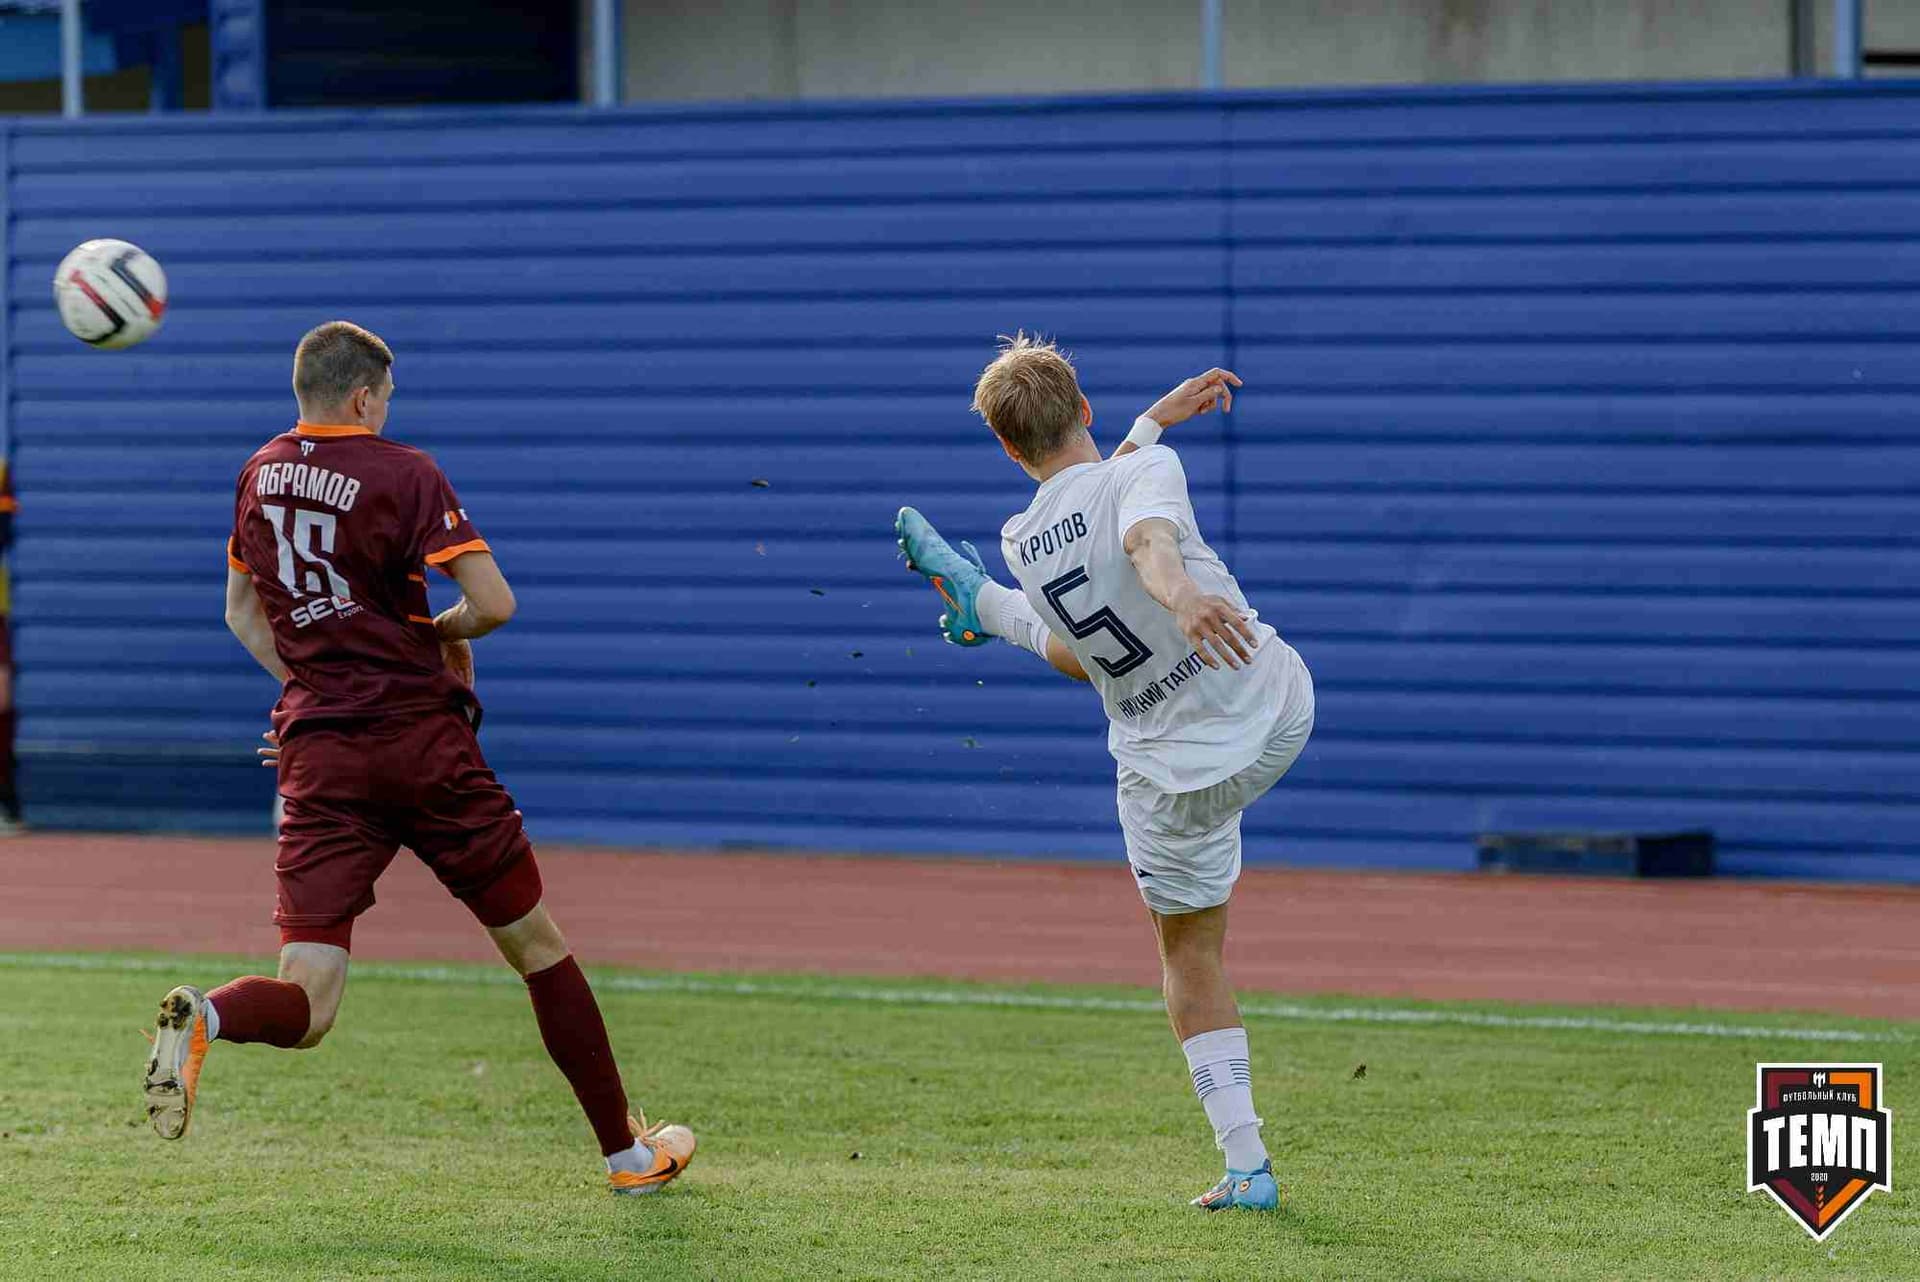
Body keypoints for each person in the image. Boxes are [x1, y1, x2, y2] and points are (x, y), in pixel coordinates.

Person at [142, 321, 694, 1196]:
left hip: (322, 755)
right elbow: (493, 603)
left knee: (311, 1000)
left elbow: (242, 615)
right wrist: (440, 631)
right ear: (364, 396)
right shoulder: (404, 471)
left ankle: (206, 1013)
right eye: (387, 397)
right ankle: (628, 1156)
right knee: (537, 948)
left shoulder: (256, 473)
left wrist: (321, 690)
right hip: (423, 747)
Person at [895, 334, 1314, 1212]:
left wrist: (1152, 423)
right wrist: (1184, 592)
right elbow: (1146, 536)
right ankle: (979, 606)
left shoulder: (1023, 539)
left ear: (1009, 451)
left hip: (1173, 781)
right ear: (1084, 409)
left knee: (1191, 960)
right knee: (1094, 636)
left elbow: (1093, 604)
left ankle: (1249, 1170)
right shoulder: (1144, 475)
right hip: (1273, 713)